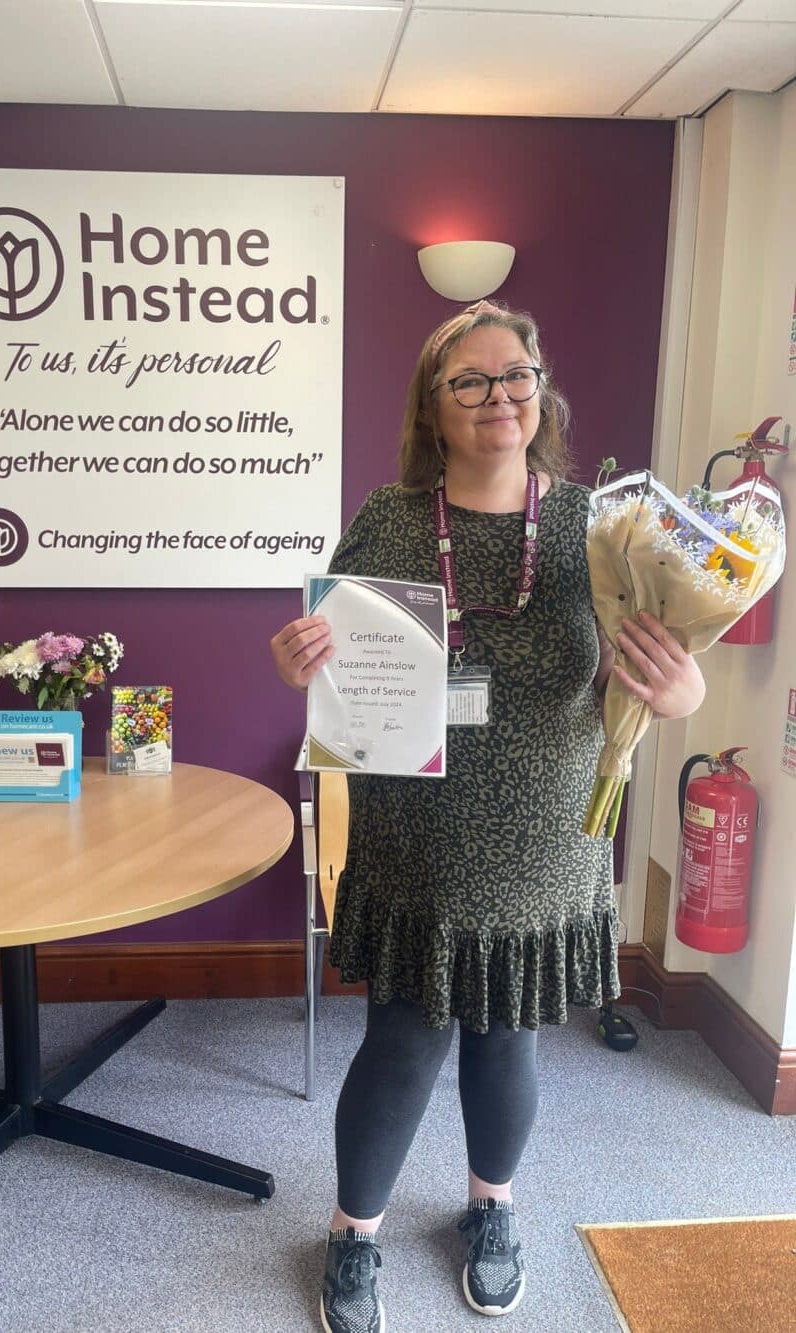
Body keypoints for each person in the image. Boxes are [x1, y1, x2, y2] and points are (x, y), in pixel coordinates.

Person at [269, 301, 705, 1332]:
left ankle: (490, 1210)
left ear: (539, 388)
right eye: (468, 380)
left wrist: (681, 697)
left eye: (513, 374)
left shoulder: (600, 526)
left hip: (548, 828)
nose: (496, 396)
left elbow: (649, 675)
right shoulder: (386, 517)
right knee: (403, 1038)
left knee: (509, 1036)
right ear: (433, 402)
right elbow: (341, 664)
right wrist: (299, 664)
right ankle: (352, 1233)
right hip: (413, 829)